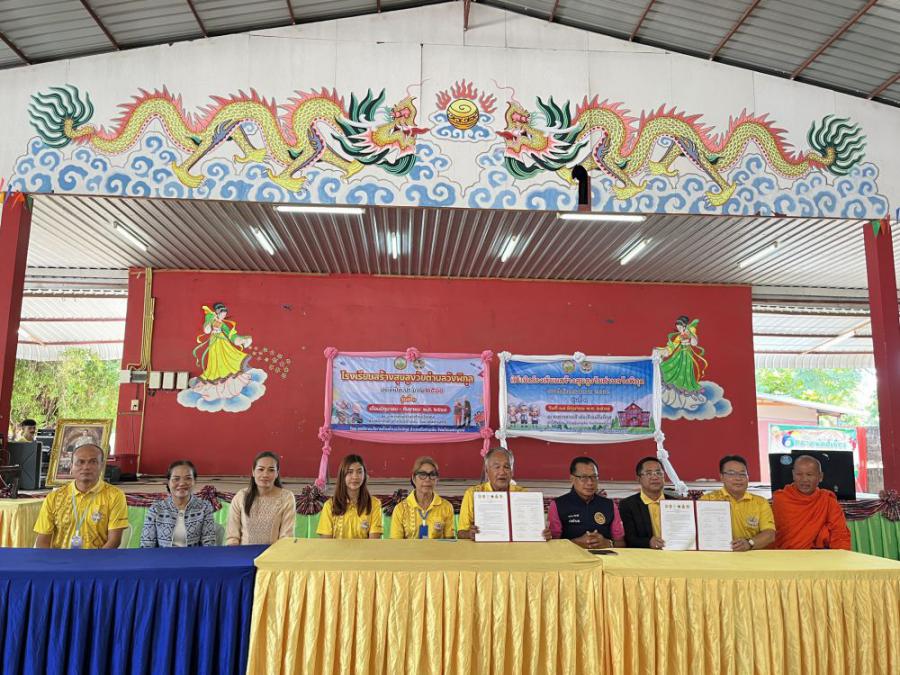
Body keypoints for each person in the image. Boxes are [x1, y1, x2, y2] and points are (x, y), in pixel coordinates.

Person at [34, 444, 128, 549]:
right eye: (80, 462)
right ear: (71, 466)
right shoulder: (54, 497)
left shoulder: (115, 496)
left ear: (102, 466)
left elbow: (114, 540)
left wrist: (96, 559)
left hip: (99, 557)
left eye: (93, 462)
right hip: (61, 558)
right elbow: (42, 541)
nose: (86, 467)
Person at [457, 446, 551, 540]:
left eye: (506, 467)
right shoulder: (472, 494)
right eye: (496, 467)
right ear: (487, 470)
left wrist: (543, 534)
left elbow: (533, 529)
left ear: (512, 471)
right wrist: (469, 534)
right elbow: (461, 533)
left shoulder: (523, 494)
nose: (502, 472)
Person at [772, 454, 851, 550]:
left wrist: (841, 555)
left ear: (820, 477)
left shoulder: (827, 500)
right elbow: (771, 533)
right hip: (784, 554)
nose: (804, 479)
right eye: (799, 474)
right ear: (793, 475)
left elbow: (840, 533)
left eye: (809, 475)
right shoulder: (781, 499)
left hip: (817, 554)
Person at [699, 455, 776, 552]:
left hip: (750, 555)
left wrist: (749, 543)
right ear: (722, 477)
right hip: (717, 555)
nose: (738, 478)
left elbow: (770, 534)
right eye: (731, 474)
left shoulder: (760, 502)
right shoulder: (708, 500)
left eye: (742, 474)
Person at [549, 456, 625, 549]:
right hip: (571, 556)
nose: (590, 482)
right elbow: (552, 545)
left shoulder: (609, 505)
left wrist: (608, 544)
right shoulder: (558, 505)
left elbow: (621, 543)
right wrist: (575, 544)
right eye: (584, 477)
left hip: (604, 556)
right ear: (572, 479)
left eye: (594, 477)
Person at [140, 460, 217, 547]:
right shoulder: (156, 509)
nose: (182, 483)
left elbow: (209, 545)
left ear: (194, 481)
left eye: (188, 478)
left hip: (196, 556)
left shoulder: (204, 507)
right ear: (168, 482)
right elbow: (146, 546)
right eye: (176, 479)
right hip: (163, 556)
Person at [225, 451, 295, 545]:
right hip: (242, 552)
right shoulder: (241, 497)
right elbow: (232, 538)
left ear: (277, 473)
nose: (265, 475)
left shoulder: (286, 497)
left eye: (271, 470)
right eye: (261, 469)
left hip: (273, 553)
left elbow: (286, 538)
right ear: (253, 472)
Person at [317, 454, 384, 539]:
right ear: (342, 475)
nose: (355, 477)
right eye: (350, 472)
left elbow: (374, 543)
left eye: (359, 472)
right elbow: (326, 544)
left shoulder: (374, 504)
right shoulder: (330, 506)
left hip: (365, 549)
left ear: (365, 475)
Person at [390, 456, 455, 539]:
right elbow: (396, 544)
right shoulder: (400, 509)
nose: (427, 479)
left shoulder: (446, 507)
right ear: (414, 478)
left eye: (432, 475)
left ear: (436, 479)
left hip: (437, 548)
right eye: (422, 475)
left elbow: (450, 542)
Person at [619, 457, 667, 549]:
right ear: (638, 479)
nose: (655, 477)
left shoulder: (675, 502)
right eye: (649, 473)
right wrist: (648, 542)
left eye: (659, 473)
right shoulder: (628, 505)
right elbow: (629, 538)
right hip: (645, 554)